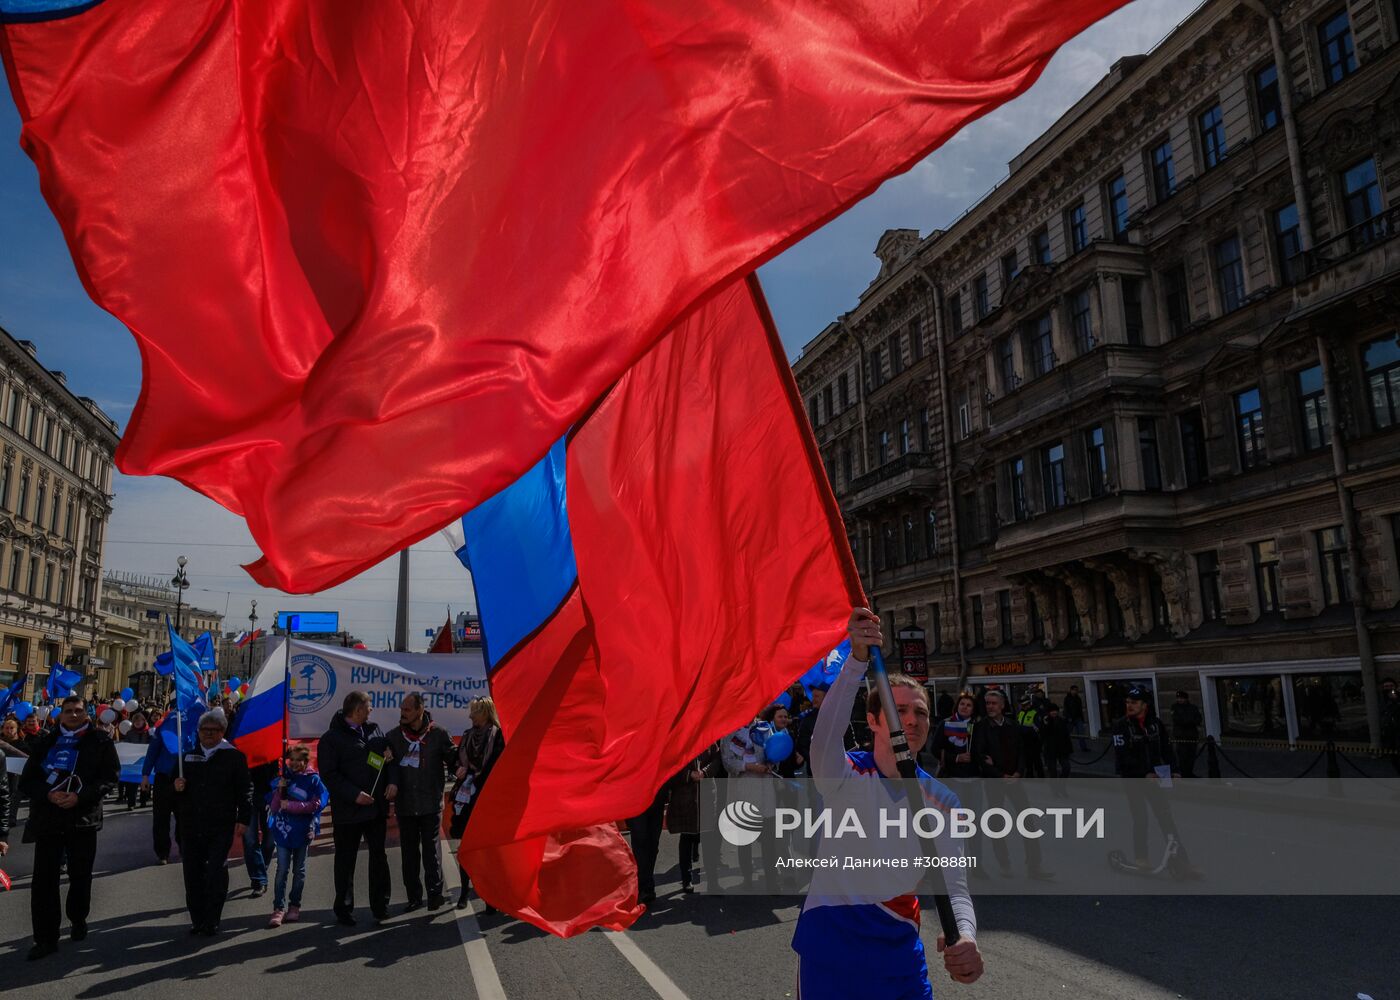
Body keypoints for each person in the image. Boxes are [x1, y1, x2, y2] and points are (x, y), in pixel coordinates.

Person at [792, 609, 983, 998]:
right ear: (874, 720)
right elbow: (823, 740)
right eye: (900, 711)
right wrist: (856, 662)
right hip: (830, 953)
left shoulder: (943, 802)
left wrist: (964, 936)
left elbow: (955, 888)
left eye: (921, 712)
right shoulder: (843, 776)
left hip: (899, 960)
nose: (911, 720)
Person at [19, 695, 121, 961]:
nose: (74, 715)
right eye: (68, 711)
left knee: (80, 876)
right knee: (44, 882)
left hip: (82, 819)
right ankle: (45, 938)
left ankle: (78, 917)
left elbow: (109, 778)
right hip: (49, 820)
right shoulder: (45, 741)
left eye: (78, 711)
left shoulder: (100, 741)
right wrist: (48, 795)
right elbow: (28, 781)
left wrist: (81, 796)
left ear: (86, 714)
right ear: (60, 715)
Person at [318, 690, 397, 926]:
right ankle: (344, 908)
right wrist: (354, 795)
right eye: (369, 706)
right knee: (345, 860)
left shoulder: (375, 730)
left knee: (378, 857)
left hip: (375, 809)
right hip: (348, 811)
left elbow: (388, 759)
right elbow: (329, 775)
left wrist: (392, 780)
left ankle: (381, 906)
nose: (372, 710)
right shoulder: (331, 739)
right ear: (358, 710)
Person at [174, 710, 251, 936]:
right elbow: (171, 790)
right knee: (192, 873)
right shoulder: (186, 757)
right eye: (204, 730)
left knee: (216, 870)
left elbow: (245, 789)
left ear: (222, 732)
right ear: (197, 732)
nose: (208, 734)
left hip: (220, 824)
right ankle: (197, 919)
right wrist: (175, 786)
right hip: (190, 824)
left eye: (213, 730)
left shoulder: (234, 757)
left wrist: (243, 818)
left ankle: (213, 917)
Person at [385, 691, 456, 912]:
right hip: (406, 805)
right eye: (402, 709)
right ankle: (414, 896)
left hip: (430, 804)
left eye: (407, 709)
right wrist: (383, 760)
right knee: (409, 854)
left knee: (431, 851)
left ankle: (434, 894)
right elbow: (387, 767)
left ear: (420, 710)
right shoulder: (394, 737)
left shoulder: (439, 734)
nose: (402, 713)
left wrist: (462, 765)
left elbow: (454, 762)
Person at [1112, 684, 1194, 873]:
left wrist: (1176, 770)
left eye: (1134, 702)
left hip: (1158, 775)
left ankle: (1183, 860)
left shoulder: (1155, 723)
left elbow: (1167, 748)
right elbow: (1123, 757)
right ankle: (1141, 857)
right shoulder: (1121, 726)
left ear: (1145, 704)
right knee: (1140, 818)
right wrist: (1144, 772)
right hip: (1134, 779)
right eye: (1127, 702)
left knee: (1166, 817)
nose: (1129, 705)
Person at [971, 689, 1051, 880]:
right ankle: (1004, 861)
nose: (990, 706)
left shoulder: (1012, 725)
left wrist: (1018, 772)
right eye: (987, 703)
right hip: (994, 782)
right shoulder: (981, 727)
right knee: (997, 824)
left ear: (1002, 705)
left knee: (1027, 822)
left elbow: (1022, 752)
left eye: (993, 703)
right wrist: (999, 774)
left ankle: (1034, 865)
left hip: (1014, 780)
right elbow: (980, 756)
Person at [451, 696, 504, 910]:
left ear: (484, 712)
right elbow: (456, 760)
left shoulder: (498, 736)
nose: (470, 715)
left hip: (488, 797)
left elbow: (496, 765)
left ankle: (490, 896)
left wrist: (476, 776)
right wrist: (459, 770)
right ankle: (464, 890)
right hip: (467, 798)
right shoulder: (466, 735)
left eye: (474, 711)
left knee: (489, 850)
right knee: (466, 846)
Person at [267, 744, 328, 927]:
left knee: (299, 871)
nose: (293, 763)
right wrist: (279, 791)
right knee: (282, 870)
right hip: (283, 831)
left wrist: (293, 807)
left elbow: (316, 804)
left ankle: (295, 905)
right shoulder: (283, 778)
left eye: (298, 760)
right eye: (291, 759)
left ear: (306, 761)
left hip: (302, 831)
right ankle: (279, 908)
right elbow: (275, 807)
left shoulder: (314, 780)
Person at [665, 740, 722, 894]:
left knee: (710, 840)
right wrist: (689, 775)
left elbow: (717, 759)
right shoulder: (678, 740)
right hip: (685, 797)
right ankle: (686, 879)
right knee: (687, 838)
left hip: (707, 796)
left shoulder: (709, 738)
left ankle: (713, 881)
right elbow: (669, 766)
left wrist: (704, 772)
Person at [140, 705, 183, 864]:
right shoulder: (162, 729)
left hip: (184, 778)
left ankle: (184, 847)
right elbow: (152, 752)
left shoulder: (192, 728)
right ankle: (162, 852)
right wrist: (145, 775)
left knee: (184, 817)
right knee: (160, 819)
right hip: (163, 779)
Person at [243, 757, 278, 898]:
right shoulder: (240, 749)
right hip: (246, 798)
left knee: (270, 841)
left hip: (269, 796)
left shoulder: (272, 748)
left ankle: (260, 869)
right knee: (250, 840)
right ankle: (259, 879)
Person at [120, 711, 153, 810]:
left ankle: (143, 801)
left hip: (145, 760)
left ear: (144, 721)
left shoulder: (149, 732)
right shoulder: (130, 733)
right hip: (133, 761)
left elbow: (152, 745)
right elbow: (126, 745)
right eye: (135, 721)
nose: (138, 723)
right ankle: (131, 803)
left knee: (145, 781)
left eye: (140, 721)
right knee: (132, 783)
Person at [1169, 691, 1203, 779]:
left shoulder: (1193, 707)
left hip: (1192, 736)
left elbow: (1198, 719)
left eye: (1181, 698)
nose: (1179, 700)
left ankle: (1189, 773)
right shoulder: (1174, 707)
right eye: (1178, 698)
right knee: (1182, 757)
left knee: (1191, 757)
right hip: (1181, 737)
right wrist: (1190, 721)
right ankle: (1183, 774)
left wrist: (1189, 721)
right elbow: (1178, 720)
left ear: (1186, 698)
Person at [1, 716, 27, 830]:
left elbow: (27, 759)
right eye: (7, 728)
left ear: (16, 729)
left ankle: (11, 818)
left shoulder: (22, 744)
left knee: (14, 795)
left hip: (16, 776)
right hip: (2, 775)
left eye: (12, 728)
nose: (9, 730)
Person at [1040, 702, 1073, 781]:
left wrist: (1069, 749)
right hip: (1050, 750)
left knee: (1066, 768)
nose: (1054, 712)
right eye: (1052, 711)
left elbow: (1066, 736)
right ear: (1048, 712)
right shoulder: (1045, 721)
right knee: (1052, 772)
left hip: (1062, 749)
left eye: (1055, 710)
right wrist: (1045, 724)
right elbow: (1042, 735)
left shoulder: (1061, 721)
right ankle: (1055, 790)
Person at [1015, 693, 1045, 778]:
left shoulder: (1035, 712)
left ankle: (1041, 777)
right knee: (1028, 762)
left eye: (1023, 704)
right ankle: (1029, 776)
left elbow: (1037, 728)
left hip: (1034, 741)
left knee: (1037, 761)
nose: (1021, 706)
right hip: (1024, 742)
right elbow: (1018, 724)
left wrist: (1022, 729)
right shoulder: (1021, 713)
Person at [1063, 684, 1088, 751]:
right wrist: (1068, 717)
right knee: (1068, 734)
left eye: (1076, 690)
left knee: (1081, 733)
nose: (1075, 691)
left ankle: (1083, 747)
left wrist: (1082, 718)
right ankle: (1066, 747)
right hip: (1070, 719)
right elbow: (1066, 709)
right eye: (1074, 690)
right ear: (1071, 690)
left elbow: (1080, 709)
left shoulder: (1078, 698)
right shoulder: (1067, 698)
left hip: (1078, 718)